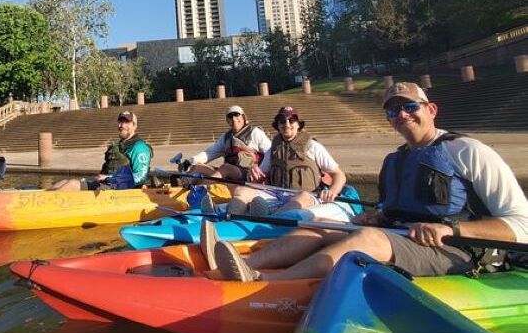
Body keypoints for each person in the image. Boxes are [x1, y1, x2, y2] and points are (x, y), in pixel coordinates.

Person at [205, 82, 528, 282]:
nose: (401, 115)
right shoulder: (397, 159)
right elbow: (395, 210)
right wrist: (378, 216)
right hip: (402, 235)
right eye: (392, 111)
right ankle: (242, 264)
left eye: (409, 107)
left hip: (456, 249)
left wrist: (453, 230)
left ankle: (269, 283)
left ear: (431, 109)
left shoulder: (467, 151)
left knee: (369, 238)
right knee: (320, 225)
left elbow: (520, 224)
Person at [222, 106, 352, 221]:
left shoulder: (313, 147)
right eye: (282, 121)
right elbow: (261, 176)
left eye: (291, 120)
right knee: (241, 191)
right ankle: (229, 220)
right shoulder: (274, 148)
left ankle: (268, 223)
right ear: (277, 125)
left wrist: (332, 191)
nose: (287, 124)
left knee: (301, 198)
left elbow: (339, 175)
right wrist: (254, 171)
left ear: (298, 125)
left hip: (307, 195)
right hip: (276, 193)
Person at [47, 111, 154, 191]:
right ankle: (37, 201)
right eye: (120, 122)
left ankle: (44, 207)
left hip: (123, 191)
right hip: (108, 185)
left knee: (73, 184)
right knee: (63, 182)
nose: (122, 125)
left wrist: (110, 177)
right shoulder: (120, 144)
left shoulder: (139, 147)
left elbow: (141, 177)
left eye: (127, 122)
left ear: (135, 126)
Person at [181, 105, 271, 183]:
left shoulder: (255, 132)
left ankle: (202, 189)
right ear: (227, 120)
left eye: (237, 115)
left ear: (243, 117)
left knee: (225, 168)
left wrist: (261, 170)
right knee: (197, 167)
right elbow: (210, 153)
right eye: (230, 116)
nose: (234, 118)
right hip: (229, 174)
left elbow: (270, 151)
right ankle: (183, 184)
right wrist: (190, 161)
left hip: (248, 175)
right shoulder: (225, 137)